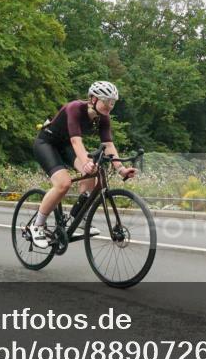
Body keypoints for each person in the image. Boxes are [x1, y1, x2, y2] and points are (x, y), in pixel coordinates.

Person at [28, 81, 137, 249]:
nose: (110, 105)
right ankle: (37, 225)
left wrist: (121, 169)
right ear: (93, 99)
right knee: (63, 184)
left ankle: (79, 215)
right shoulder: (75, 108)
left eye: (112, 102)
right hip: (47, 144)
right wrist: (85, 162)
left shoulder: (104, 118)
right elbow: (75, 140)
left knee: (95, 171)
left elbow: (108, 145)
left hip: (66, 147)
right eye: (106, 101)